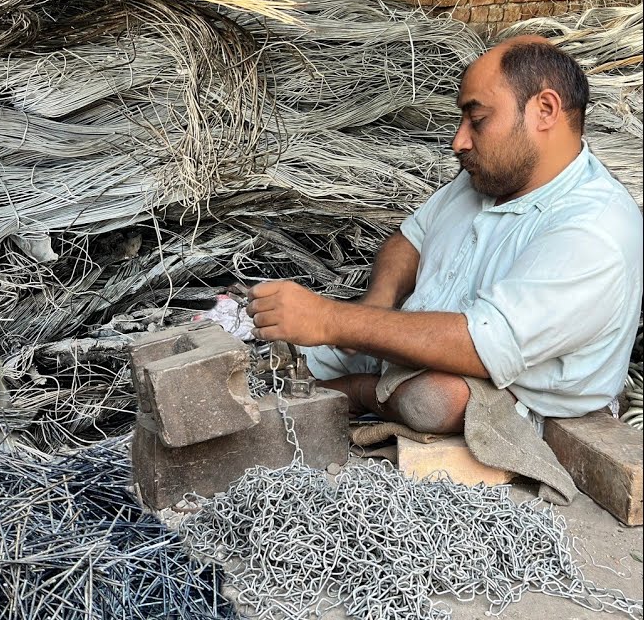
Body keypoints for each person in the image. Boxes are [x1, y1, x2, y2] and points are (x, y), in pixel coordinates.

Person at [247, 36, 642, 437]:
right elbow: (409, 240)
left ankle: (359, 395)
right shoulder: (490, 177)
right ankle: (337, 386)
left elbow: (481, 344)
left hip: (505, 391)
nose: (459, 141)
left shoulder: (594, 229)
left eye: (478, 118)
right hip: (417, 350)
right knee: (278, 359)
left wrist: (331, 320)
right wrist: (379, 300)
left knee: (436, 399)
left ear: (545, 110)